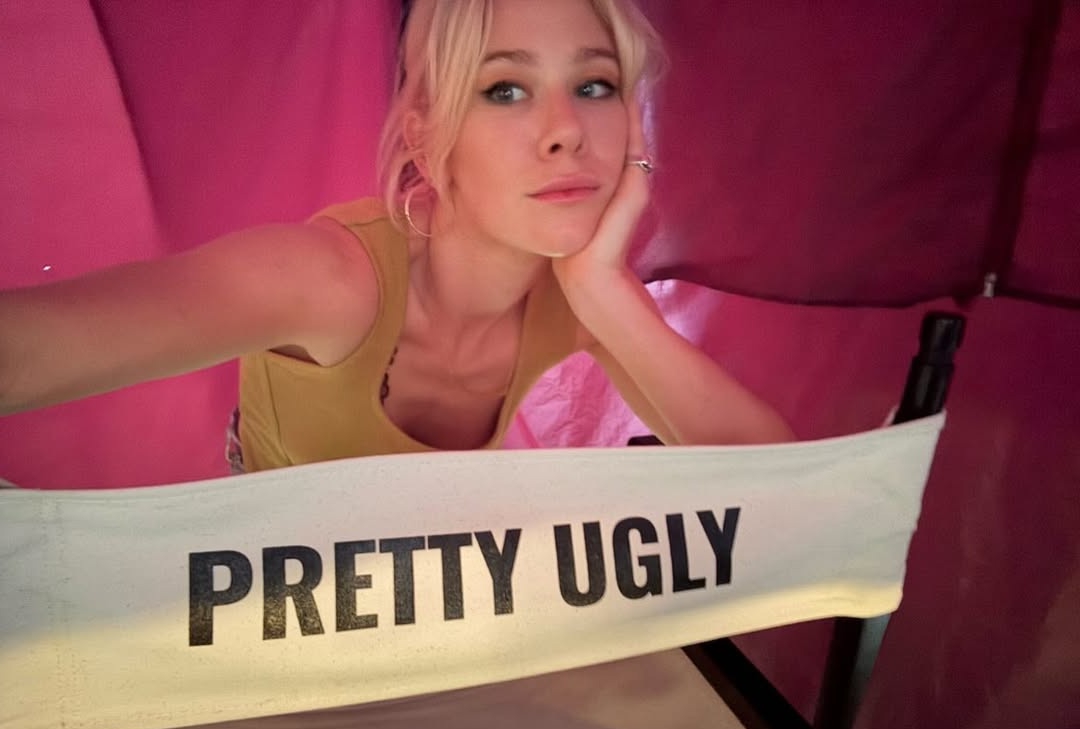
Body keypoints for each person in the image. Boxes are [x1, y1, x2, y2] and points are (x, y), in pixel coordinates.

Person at [0, 0, 793, 474]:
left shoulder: (582, 295)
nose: (567, 131)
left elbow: (788, 488)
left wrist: (601, 290)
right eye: (504, 89)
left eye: (594, 84)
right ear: (424, 133)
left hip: (422, 614)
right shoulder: (328, 281)